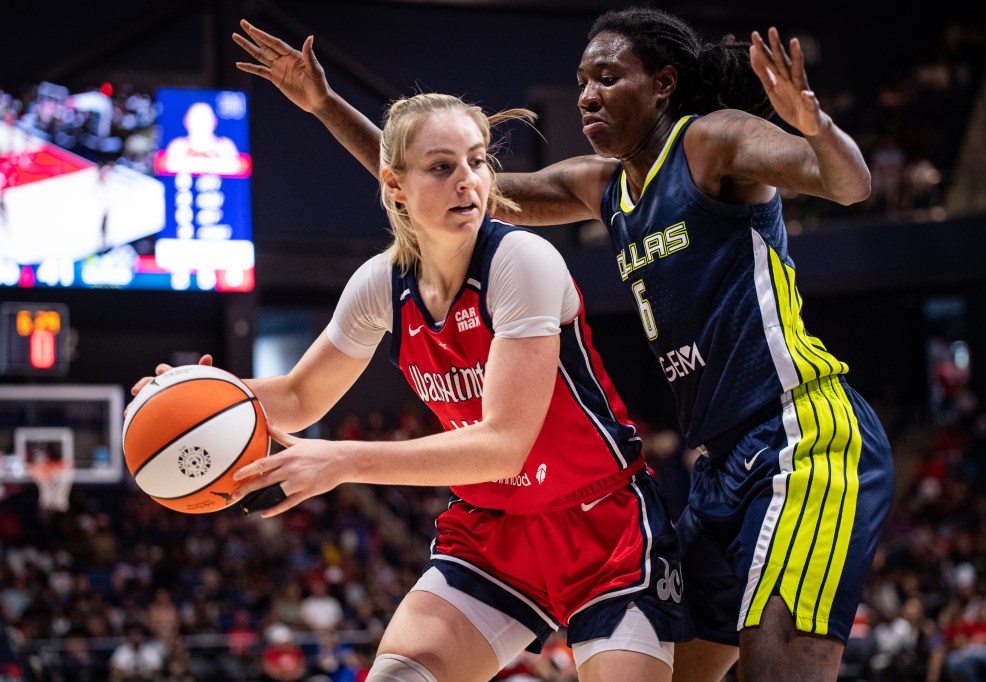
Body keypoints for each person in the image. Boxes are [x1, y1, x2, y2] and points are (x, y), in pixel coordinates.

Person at [232, 6, 895, 681]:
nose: (586, 95)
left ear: (663, 84)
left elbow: (848, 183)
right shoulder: (602, 185)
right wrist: (324, 105)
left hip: (800, 432)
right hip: (720, 460)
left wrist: (814, 126)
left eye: (606, 78)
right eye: (580, 81)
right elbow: (444, 191)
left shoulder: (710, 143)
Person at [133, 92, 688, 681]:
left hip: (602, 525)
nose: (468, 181)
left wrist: (342, 460)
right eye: (442, 166)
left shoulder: (521, 260)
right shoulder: (380, 285)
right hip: (491, 529)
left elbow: (505, 443)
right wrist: (201, 393)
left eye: (477, 161)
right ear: (394, 183)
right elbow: (299, 398)